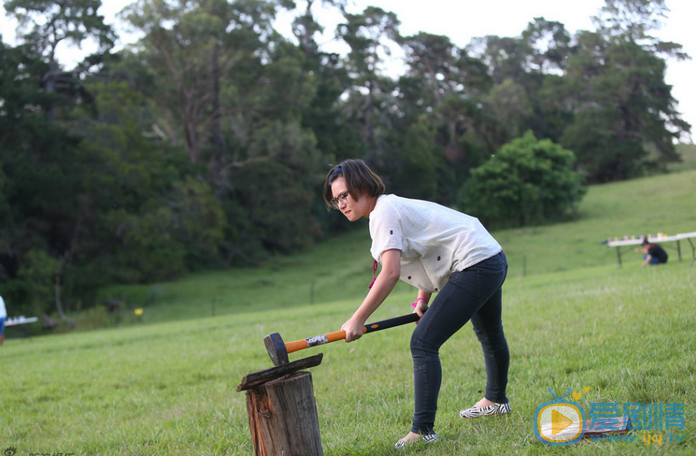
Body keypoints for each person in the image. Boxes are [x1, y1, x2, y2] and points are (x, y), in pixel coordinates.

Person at [322, 159, 510, 450]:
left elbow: (391, 272)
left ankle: (422, 431)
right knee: (489, 332)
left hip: (476, 263)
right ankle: (495, 400)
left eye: (344, 195)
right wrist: (423, 299)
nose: (341, 204)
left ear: (361, 186)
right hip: (490, 257)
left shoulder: (383, 212)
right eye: (336, 201)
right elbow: (428, 250)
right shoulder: (387, 209)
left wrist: (357, 318)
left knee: (423, 343)